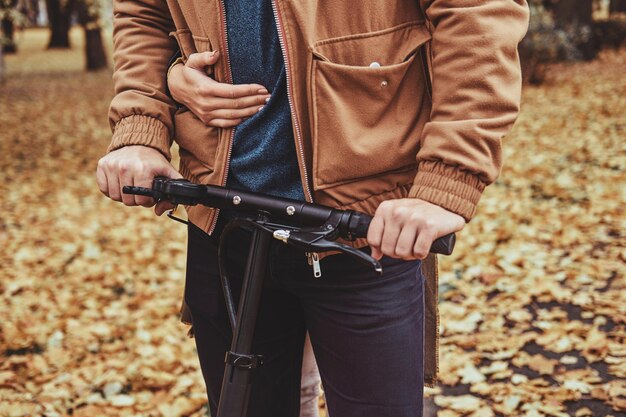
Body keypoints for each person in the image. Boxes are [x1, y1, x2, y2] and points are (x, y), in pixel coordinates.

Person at [96, 1, 529, 416]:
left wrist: (448, 177)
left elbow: (477, 15)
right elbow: (144, 13)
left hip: (363, 227)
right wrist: (142, 122)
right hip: (223, 219)